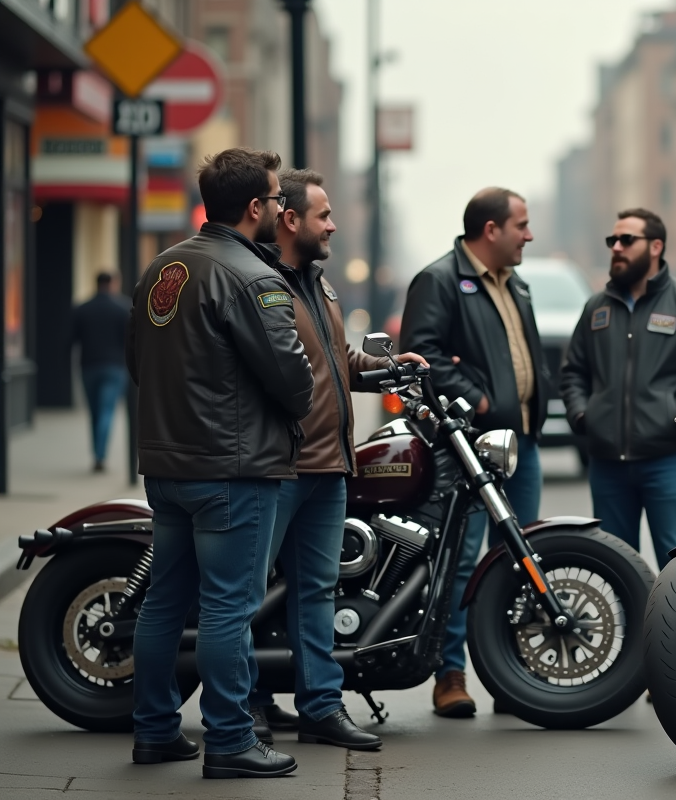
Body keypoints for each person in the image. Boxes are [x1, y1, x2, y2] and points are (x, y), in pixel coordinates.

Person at [126, 148, 314, 779]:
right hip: (233, 469)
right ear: (256, 206)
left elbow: (137, 364)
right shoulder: (254, 277)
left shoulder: (163, 266)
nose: (282, 209)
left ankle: (154, 730)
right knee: (229, 607)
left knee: (164, 601)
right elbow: (295, 383)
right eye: (277, 199)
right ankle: (231, 740)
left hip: (168, 465)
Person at [245, 168, 427, 749]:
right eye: (323, 215)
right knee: (249, 596)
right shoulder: (259, 281)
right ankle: (248, 705)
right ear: (290, 219)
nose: (333, 225)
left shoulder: (318, 284)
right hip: (278, 467)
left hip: (328, 465)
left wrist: (389, 367)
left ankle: (321, 709)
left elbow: (337, 361)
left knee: (314, 593)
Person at [399, 187, 548, 717]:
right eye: (521, 225)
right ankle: (450, 675)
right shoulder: (439, 280)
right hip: (468, 446)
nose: (529, 235)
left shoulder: (517, 284)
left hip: (519, 444)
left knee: (520, 558)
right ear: (491, 230)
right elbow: (421, 355)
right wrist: (477, 400)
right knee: (460, 563)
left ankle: (512, 677)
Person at [560, 208, 676, 570]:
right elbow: (573, 372)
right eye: (613, 240)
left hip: (667, 460)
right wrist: (585, 417)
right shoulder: (596, 308)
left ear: (655, 246)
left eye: (627, 240)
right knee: (616, 566)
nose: (616, 247)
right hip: (607, 463)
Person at [70, 272, 130, 472]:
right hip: (115, 367)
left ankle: (97, 453)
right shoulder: (123, 307)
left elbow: (71, 340)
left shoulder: (82, 308)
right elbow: (131, 340)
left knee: (94, 413)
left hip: (88, 366)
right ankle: (100, 456)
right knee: (106, 411)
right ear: (113, 284)